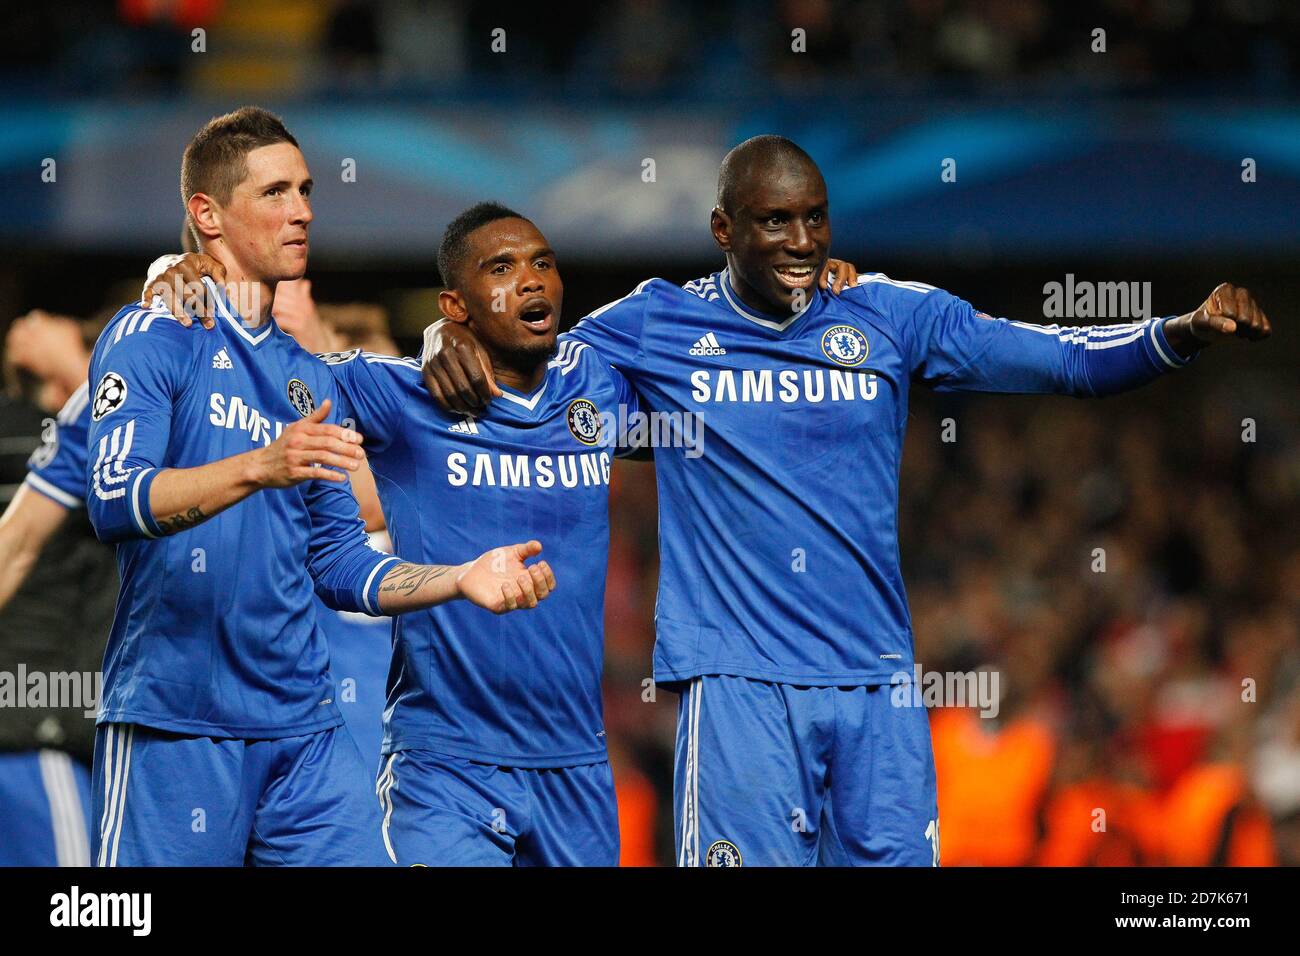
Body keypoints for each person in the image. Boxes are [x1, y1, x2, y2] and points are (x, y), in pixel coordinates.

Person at [418, 135, 1271, 866]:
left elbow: (1064, 359)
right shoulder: (656, 325)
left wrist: (1177, 332)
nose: (801, 240)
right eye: (774, 221)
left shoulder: (889, 317)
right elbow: (527, 355)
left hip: (878, 687)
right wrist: (440, 332)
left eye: (815, 218)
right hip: (741, 686)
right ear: (723, 230)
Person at [143, 205, 861, 865]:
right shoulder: (401, 395)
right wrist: (173, 283)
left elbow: (726, 320)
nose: (530, 281)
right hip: (443, 764)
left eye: (542, 263)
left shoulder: (599, 378)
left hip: (575, 765)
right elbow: (266, 375)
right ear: (455, 304)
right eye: (501, 269)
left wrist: (809, 284)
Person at [84, 106, 554, 867]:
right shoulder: (156, 334)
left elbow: (340, 562)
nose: (301, 209)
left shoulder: (307, 378)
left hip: (306, 733)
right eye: (274, 193)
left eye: (304, 190)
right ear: (207, 213)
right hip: (180, 719)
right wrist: (258, 466)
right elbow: (115, 501)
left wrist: (458, 578)